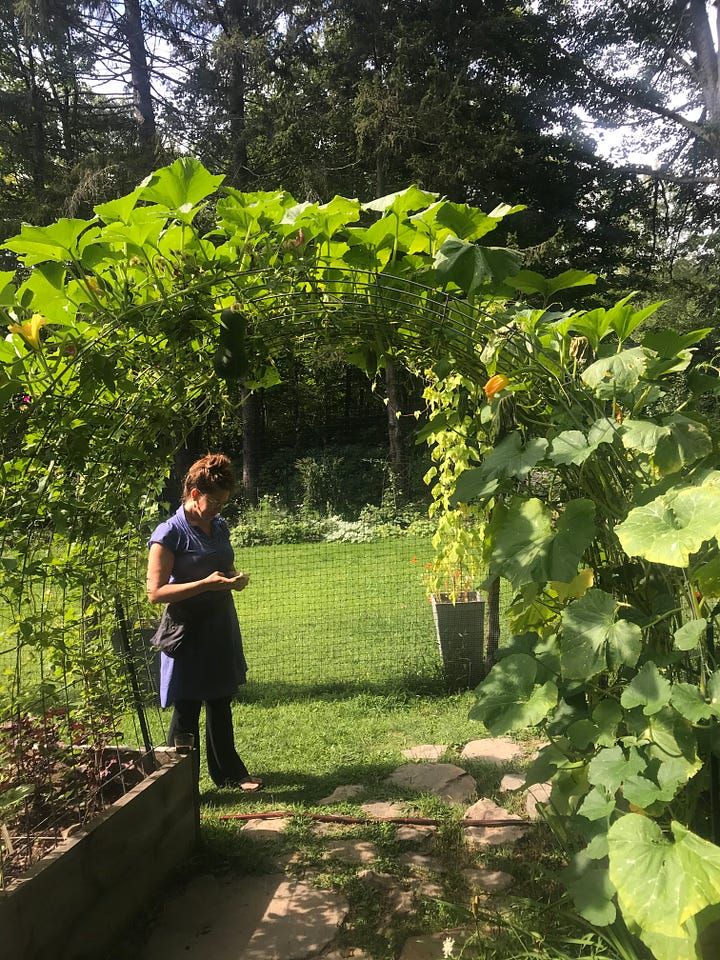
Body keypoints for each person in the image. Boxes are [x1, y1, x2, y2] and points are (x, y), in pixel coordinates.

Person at [146, 453, 262, 791]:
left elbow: (220, 565)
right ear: (194, 493)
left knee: (220, 700)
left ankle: (229, 774)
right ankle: (179, 786)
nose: (219, 509)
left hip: (219, 625)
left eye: (224, 503)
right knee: (187, 707)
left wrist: (232, 578)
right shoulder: (168, 534)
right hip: (187, 631)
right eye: (214, 502)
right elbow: (155, 592)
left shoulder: (218, 525)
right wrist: (204, 585)